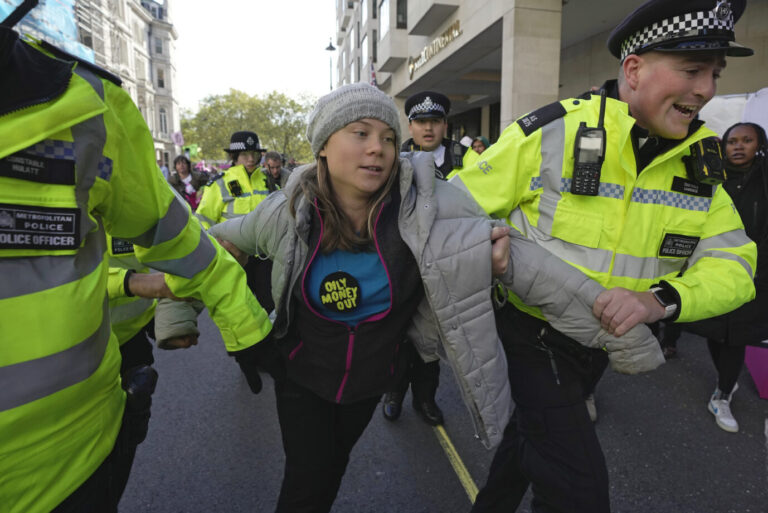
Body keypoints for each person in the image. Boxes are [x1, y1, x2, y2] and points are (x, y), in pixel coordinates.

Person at [208, 83, 663, 513]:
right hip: (300, 378)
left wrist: (625, 333)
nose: (377, 148)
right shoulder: (286, 211)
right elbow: (209, 248)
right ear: (323, 145)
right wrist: (187, 319)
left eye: (388, 137)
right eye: (360, 133)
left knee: (331, 468)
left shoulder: (431, 207)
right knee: (306, 483)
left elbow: (530, 266)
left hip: (370, 381)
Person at [454, 1, 758, 512]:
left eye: (714, 74)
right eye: (691, 70)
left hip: (601, 346)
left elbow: (737, 267)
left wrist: (658, 300)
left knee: (531, 440)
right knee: (579, 492)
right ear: (634, 69)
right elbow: (455, 214)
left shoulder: (701, 165)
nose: (706, 89)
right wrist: (491, 248)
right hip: (532, 334)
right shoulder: (551, 133)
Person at [0, 4, 272, 511]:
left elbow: (181, 243)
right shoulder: (214, 186)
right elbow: (196, 228)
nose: (254, 161)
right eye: (248, 155)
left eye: (257, 155)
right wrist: (135, 286)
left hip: (79, 460)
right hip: (124, 333)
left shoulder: (91, 110)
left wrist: (249, 331)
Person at [666, 122, 768, 432]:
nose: (738, 147)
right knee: (715, 331)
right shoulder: (710, 176)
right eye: (732, 141)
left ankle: (723, 393)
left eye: (746, 141)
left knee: (736, 336)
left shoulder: (763, 178)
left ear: (759, 144)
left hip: (754, 275)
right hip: (711, 270)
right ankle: (724, 385)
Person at [382, 90, 466, 425]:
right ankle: (394, 393)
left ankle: (425, 400)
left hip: (447, 260)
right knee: (399, 332)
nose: (427, 128)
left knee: (432, 338)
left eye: (434, 121)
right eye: (420, 122)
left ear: (445, 124)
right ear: (411, 126)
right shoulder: (394, 160)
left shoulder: (468, 160)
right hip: (404, 260)